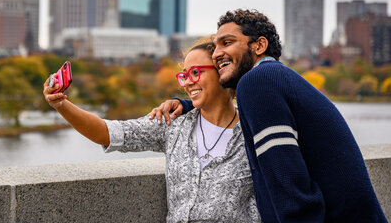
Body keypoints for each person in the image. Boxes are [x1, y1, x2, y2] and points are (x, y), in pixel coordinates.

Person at [150, 9, 387, 222]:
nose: (216, 53)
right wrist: (189, 105)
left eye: (227, 42)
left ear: (259, 46)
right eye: (215, 45)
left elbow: (291, 189)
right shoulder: (273, 79)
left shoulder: (257, 82)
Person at [43, 40, 261, 223]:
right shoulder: (173, 124)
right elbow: (108, 132)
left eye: (195, 72)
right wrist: (61, 105)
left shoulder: (255, 130)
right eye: (184, 75)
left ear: (222, 71)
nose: (188, 82)